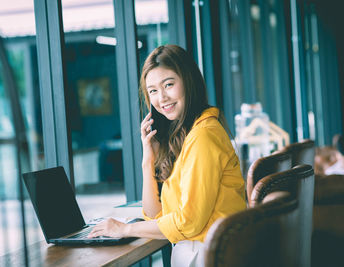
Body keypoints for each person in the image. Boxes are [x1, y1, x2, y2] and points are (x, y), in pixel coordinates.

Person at [88, 45, 246, 266]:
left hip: (209, 254)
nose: (161, 98)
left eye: (169, 85)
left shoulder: (203, 136)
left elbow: (188, 222)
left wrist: (125, 229)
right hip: (202, 251)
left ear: (188, 81)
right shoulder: (187, 135)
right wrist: (148, 160)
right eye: (152, 91)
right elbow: (154, 216)